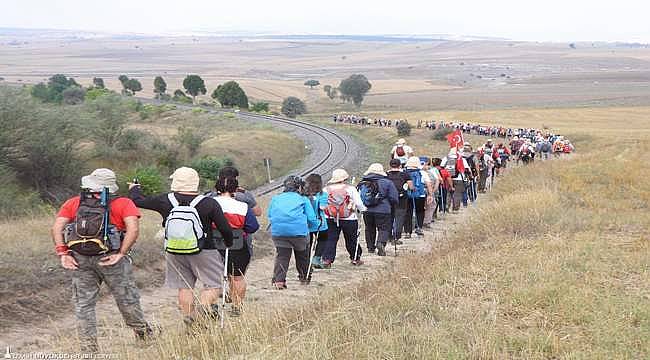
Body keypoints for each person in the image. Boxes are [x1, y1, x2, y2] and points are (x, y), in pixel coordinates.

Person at [51, 168, 153, 353]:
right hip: (111, 258)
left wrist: (63, 253)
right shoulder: (124, 203)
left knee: (84, 304)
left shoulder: (74, 202)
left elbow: (56, 228)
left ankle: (89, 349)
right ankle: (142, 333)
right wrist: (122, 253)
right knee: (126, 298)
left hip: (79, 259)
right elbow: (133, 229)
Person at [129, 167, 234, 327]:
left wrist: (135, 188)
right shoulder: (208, 203)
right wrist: (228, 242)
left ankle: (189, 319)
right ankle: (202, 311)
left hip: (174, 249)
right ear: (196, 182)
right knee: (213, 285)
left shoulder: (164, 200)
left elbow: (138, 201)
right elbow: (225, 228)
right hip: (204, 249)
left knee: (184, 286)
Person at [211, 176, 260, 316]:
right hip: (237, 244)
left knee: (212, 277)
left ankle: (212, 306)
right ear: (236, 190)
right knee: (237, 277)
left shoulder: (209, 203)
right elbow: (253, 227)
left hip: (213, 244)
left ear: (216, 189)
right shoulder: (242, 206)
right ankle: (237, 307)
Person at [267, 176, 318, 289]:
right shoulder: (303, 199)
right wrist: (314, 227)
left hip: (278, 231)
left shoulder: (276, 198)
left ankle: (279, 281)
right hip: (298, 232)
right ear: (299, 187)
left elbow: (270, 215)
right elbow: (311, 218)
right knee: (302, 255)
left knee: (282, 256)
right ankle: (304, 277)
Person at [322, 169, 367, 267]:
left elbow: (323, 204)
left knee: (330, 239)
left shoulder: (326, 190)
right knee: (351, 239)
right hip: (349, 218)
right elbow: (358, 203)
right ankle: (355, 257)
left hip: (330, 217)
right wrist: (363, 209)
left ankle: (327, 259)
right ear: (344, 178)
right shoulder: (350, 189)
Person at [359, 163, 398, 256]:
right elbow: (394, 198)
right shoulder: (387, 182)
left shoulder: (364, 182)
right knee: (384, 228)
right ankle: (380, 243)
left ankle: (370, 247)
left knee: (369, 228)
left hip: (367, 209)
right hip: (383, 210)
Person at [404, 157, 434, 237]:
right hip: (420, 195)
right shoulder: (422, 173)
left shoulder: (404, 172)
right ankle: (419, 228)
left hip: (407, 195)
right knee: (420, 211)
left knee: (408, 213)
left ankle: (407, 232)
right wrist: (430, 195)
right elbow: (428, 184)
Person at [305, 173, 328, 270]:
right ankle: (316, 258)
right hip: (320, 223)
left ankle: (306, 260)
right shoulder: (322, 194)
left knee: (308, 243)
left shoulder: (304, 195)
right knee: (322, 240)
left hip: (306, 224)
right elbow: (323, 207)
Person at [386, 158, 412, 245]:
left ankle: (389, 237)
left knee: (389, 218)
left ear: (390, 165)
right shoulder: (405, 174)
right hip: (401, 199)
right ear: (400, 165)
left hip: (389, 199)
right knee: (399, 218)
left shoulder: (386, 174)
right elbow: (411, 186)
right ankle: (396, 237)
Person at [420, 157, 440, 227]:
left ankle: (419, 221)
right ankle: (426, 221)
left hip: (418, 192)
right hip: (429, 191)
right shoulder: (432, 171)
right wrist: (433, 192)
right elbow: (437, 181)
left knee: (420, 206)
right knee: (431, 205)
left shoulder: (416, 171)